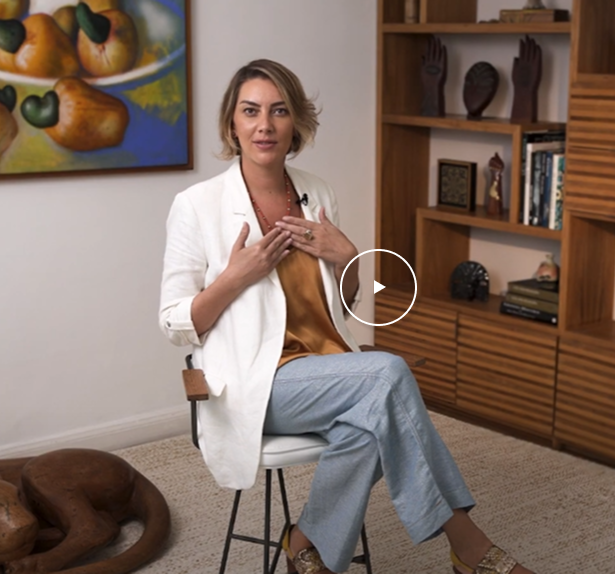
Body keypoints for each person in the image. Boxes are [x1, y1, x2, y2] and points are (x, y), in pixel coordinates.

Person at [159, 59, 534, 574]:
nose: (265, 125)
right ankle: (469, 546)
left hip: (329, 369)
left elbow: (342, 304)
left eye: (278, 111)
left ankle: (306, 543)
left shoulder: (317, 193)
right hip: (259, 384)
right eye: (251, 111)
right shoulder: (196, 205)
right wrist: (234, 278)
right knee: (387, 374)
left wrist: (348, 258)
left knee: (372, 426)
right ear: (232, 123)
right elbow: (174, 322)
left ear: (296, 122)